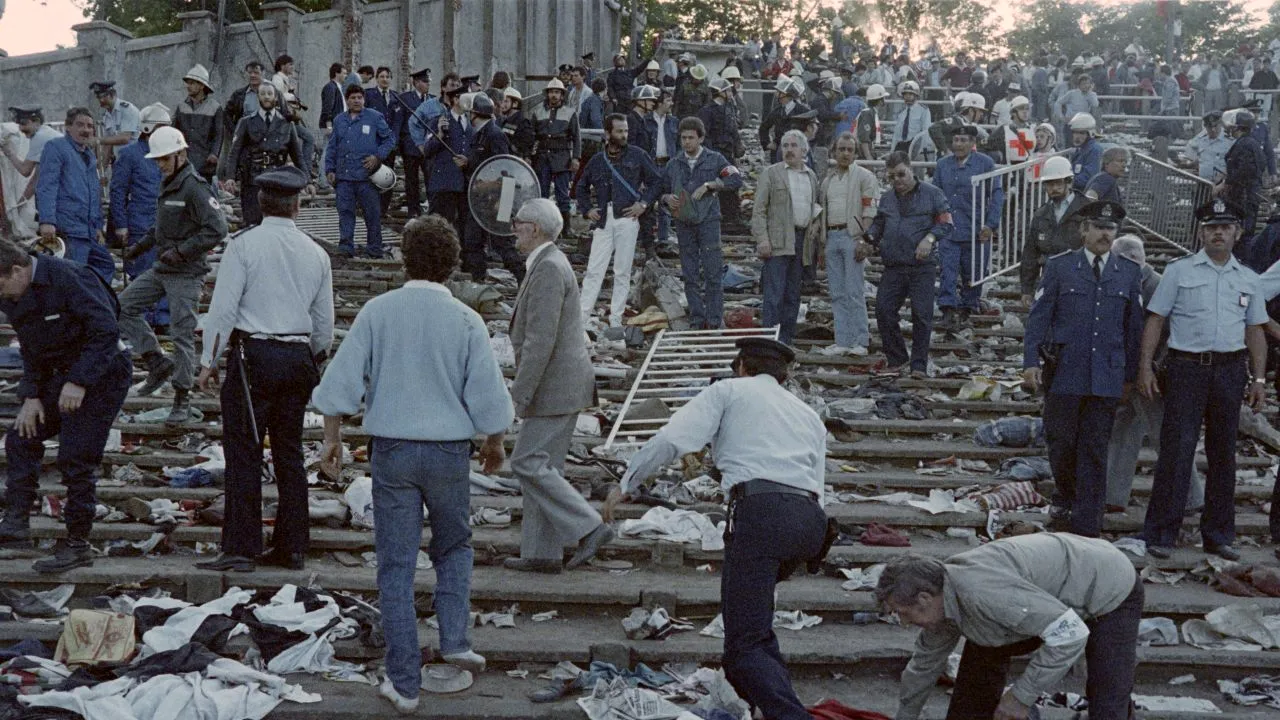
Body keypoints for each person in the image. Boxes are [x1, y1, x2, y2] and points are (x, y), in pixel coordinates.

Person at [310, 214, 506, 713]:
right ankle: (456, 638)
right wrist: (495, 444)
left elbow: (338, 387)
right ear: (453, 263)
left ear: (403, 258)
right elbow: (488, 397)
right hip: (447, 452)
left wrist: (332, 440)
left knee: (396, 566)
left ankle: (404, 683)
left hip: (393, 450)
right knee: (455, 546)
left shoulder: (378, 312)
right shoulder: (466, 319)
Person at [612, 337, 826, 720]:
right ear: (783, 375)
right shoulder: (806, 412)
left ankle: (792, 716)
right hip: (810, 521)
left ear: (742, 366)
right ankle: (752, 706)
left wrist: (628, 483)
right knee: (755, 629)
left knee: (744, 643)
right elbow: (818, 482)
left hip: (761, 512)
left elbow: (672, 439)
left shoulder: (728, 390)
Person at [195, 166, 334, 573]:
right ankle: (292, 547)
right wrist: (315, 359)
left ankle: (241, 547)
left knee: (244, 451)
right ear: (297, 204)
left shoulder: (244, 245)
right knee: (289, 452)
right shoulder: (316, 252)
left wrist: (208, 361)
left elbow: (223, 309)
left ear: (259, 202)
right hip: (296, 357)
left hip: (252, 357)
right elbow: (323, 323)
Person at [877, 534, 1143, 720]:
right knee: (976, 678)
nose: (904, 623)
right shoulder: (945, 598)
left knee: (1108, 699)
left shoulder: (983, 594)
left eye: (903, 613)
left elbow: (1069, 633)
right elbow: (924, 666)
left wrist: (1021, 697)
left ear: (924, 598)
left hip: (1109, 584)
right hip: (1046, 596)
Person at [1139, 200, 1268, 561]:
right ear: (1201, 232)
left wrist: (1258, 379)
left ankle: (1218, 535)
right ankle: (1162, 532)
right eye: (1211, 227)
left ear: (1237, 233)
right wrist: (1145, 367)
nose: (1218, 233)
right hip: (1186, 370)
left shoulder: (1248, 278)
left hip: (1230, 371)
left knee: (1223, 454)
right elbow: (1155, 320)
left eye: (1225, 227)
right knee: (1177, 452)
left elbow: (1255, 330)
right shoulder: (1179, 271)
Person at [0, 241, 131, 574]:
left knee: (76, 455)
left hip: (103, 372)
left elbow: (106, 332)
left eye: (2, 286)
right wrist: (30, 395)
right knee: (21, 437)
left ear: (17, 270)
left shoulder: (71, 277)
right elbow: (31, 347)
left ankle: (77, 544)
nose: (3, 298)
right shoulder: (14, 293)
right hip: (59, 374)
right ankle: (15, 525)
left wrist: (80, 381)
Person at [505, 198, 614, 573]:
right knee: (544, 466)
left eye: (518, 223)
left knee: (526, 462)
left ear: (534, 228)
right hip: (560, 385)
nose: (514, 228)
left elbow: (540, 341)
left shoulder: (548, 267)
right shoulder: (547, 263)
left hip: (555, 387)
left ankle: (590, 526)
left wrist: (519, 395)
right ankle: (541, 553)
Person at [1022, 201, 1143, 537]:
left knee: (1094, 448)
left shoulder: (1128, 272)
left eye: (1111, 229)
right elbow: (1039, 317)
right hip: (1065, 371)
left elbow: (1133, 330)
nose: (1105, 234)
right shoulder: (1061, 268)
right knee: (1061, 442)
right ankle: (1065, 496)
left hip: (1106, 375)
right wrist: (1030, 361)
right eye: (1099, 227)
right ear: (1083, 230)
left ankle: (1087, 524)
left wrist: (1130, 376)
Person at [118, 126, 228, 426]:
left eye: (165, 159)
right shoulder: (169, 184)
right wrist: (139, 248)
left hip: (186, 273)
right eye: (158, 160)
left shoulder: (194, 186)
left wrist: (182, 252)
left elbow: (218, 229)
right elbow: (161, 226)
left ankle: (182, 396)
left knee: (181, 335)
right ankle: (156, 361)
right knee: (122, 306)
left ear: (181, 155)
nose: (160, 165)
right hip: (163, 269)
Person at [1105, 235, 1206, 514]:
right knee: (1123, 429)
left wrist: (1151, 369)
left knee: (1165, 436)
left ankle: (1191, 498)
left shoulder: (1159, 285)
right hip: (1131, 373)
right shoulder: (1126, 280)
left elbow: (1173, 331)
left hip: (1155, 376)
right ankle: (1113, 495)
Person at [867, 151, 952, 376]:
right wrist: (870, 237)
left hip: (921, 266)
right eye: (892, 177)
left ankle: (918, 365)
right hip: (894, 265)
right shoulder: (886, 198)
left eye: (901, 175)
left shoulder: (933, 194)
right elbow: (879, 223)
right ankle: (897, 358)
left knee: (921, 315)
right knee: (884, 310)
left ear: (911, 169)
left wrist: (929, 238)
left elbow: (946, 222)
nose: (897, 181)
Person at [575, 113, 661, 327]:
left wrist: (643, 205)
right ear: (607, 133)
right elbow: (580, 187)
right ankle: (582, 319)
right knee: (595, 270)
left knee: (622, 271)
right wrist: (587, 210)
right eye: (619, 131)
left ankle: (616, 319)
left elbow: (657, 182)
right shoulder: (596, 160)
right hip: (604, 220)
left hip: (627, 219)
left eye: (626, 131)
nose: (624, 135)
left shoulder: (638, 155)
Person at [661, 116, 743, 331]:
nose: (686, 142)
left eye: (691, 138)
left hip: (708, 222)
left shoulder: (715, 160)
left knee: (713, 273)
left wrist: (710, 185)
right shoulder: (674, 163)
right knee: (690, 274)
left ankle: (714, 321)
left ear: (701, 138)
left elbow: (735, 179)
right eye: (683, 138)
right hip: (684, 223)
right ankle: (697, 321)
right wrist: (666, 198)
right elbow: (660, 189)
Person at [752, 130, 819, 346]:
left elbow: (813, 206)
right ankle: (769, 341)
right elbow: (759, 209)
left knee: (793, 294)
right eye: (785, 145)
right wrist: (762, 238)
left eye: (793, 146)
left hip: (801, 241)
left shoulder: (811, 176)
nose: (788, 150)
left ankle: (786, 341)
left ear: (803, 150)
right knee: (774, 295)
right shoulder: (772, 173)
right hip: (778, 240)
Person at [815, 133, 879, 356]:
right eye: (841, 149)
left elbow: (870, 210)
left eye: (849, 150)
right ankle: (842, 340)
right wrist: (822, 243)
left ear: (855, 153)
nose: (845, 153)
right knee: (837, 292)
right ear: (834, 152)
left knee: (854, 291)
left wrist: (864, 238)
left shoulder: (865, 177)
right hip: (832, 237)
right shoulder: (827, 181)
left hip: (852, 237)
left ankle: (860, 340)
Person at [933, 125, 1003, 331]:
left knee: (975, 271)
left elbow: (997, 195)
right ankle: (947, 310)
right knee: (948, 270)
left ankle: (968, 309)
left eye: (964, 140)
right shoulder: (943, 165)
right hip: (950, 229)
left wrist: (990, 224)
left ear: (973, 143)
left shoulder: (985, 163)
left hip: (976, 229)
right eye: (956, 140)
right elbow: (935, 194)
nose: (959, 144)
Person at [35, 108, 115, 284]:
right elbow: (47, 186)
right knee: (73, 276)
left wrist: (97, 226)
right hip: (69, 230)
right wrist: (47, 221)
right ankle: (76, 310)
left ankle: (93, 305)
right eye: (80, 125)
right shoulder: (56, 148)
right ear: (67, 127)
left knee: (106, 265)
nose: (85, 130)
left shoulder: (88, 156)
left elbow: (94, 194)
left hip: (87, 231)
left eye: (89, 126)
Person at [326, 83, 395, 258]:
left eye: (360, 97)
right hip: (344, 176)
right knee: (345, 213)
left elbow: (390, 139)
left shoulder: (374, 117)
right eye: (353, 98)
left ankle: (374, 248)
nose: (357, 101)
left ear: (364, 99)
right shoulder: (339, 120)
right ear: (347, 101)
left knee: (372, 213)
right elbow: (332, 146)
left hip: (367, 176)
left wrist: (377, 156)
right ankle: (346, 247)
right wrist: (330, 169)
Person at [459, 93, 522, 283]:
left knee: (503, 245)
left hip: (495, 200)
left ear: (474, 115)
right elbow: (482, 165)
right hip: (479, 199)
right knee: (472, 243)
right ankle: (479, 283)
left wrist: (501, 203)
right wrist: (467, 163)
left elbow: (504, 169)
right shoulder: (479, 135)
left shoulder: (495, 135)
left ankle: (524, 279)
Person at [225, 82, 305, 227]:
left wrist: (308, 181)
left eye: (269, 94)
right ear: (258, 97)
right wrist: (230, 177)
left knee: (277, 223)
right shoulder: (246, 122)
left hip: (278, 180)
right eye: (263, 94)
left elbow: (297, 155)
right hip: (253, 180)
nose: (266, 97)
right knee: (252, 223)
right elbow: (234, 152)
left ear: (275, 97)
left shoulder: (286, 124)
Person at [110, 104, 169, 287]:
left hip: (165, 226)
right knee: (142, 280)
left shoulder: (168, 155)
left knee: (164, 279)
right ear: (148, 128)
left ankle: (160, 316)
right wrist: (121, 225)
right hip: (140, 227)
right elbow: (117, 191)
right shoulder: (130, 155)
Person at [1021, 156, 1089, 305]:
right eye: (1049, 184)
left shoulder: (1087, 209)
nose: (1053, 189)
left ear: (1069, 182)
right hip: (1049, 278)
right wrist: (1026, 289)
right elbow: (1030, 253)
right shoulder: (1041, 214)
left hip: (1080, 278)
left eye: (1058, 183)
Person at [417, 74, 471, 242]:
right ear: (455, 99)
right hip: (443, 183)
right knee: (437, 226)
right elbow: (427, 150)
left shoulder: (470, 123)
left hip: (463, 184)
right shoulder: (439, 120)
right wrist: (439, 135)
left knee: (461, 226)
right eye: (464, 97)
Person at [531, 79, 581, 236]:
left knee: (562, 195)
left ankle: (566, 228)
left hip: (562, 157)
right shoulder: (538, 111)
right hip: (542, 157)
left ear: (562, 95)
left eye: (557, 92)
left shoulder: (570, 112)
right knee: (542, 194)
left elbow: (576, 137)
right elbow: (532, 135)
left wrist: (576, 158)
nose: (554, 95)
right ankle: (543, 228)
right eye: (551, 92)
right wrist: (529, 155)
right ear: (547, 94)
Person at [697, 77, 745, 233]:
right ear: (720, 92)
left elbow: (734, 131)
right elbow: (705, 135)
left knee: (732, 183)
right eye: (728, 90)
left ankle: (733, 218)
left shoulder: (729, 108)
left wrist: (738, 148)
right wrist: (712, 155)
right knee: (715, 186)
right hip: (716, 153)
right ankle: (718, 218)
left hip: (728, 153)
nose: (731, 93)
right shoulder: (707, 111)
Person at [365, 67, 407, 213]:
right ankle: (370, 207)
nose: (385, 79)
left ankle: (383, 209)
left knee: (387, 175)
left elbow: (398, 121)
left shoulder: (396, 97)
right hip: (374, 144)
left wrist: (393, 140)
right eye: (382, 76)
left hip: (389, 145)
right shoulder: (369, 95)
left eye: (387, 77)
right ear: (377, 78)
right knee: (372, 174)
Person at [173, 65, 224, 183]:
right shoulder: (181, 106)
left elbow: (219, 134)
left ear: (201, 86)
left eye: (192, 83)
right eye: (188, 83)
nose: (188, 86)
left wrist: (214, 154)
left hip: (205, 162)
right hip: (184, 160)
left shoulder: (215, 107)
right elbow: (175, 131)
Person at [1, 106, 59, 204]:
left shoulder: (40, 137)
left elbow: (25, 171)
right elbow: (37, 178)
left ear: (36, 122)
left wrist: (8, 152)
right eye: (19, 124)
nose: (21, 128)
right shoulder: (48, 133)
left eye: (24, 124)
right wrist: (21, 203)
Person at [1218, 110, 1263, 236]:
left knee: (1242, 233)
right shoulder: (1253, 143)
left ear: (1237, 127)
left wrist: (1226, 183)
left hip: (1243, 196)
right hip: (1249, 195)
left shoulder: (1244, 144)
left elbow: (1244, 171)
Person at [397, 67, 432, 217]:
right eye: (425, 82)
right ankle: (413, 210)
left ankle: (431, 207)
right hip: (410, 145)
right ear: (416, 82)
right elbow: (400, 124)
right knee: (412, 180)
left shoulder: (432, 100)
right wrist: (399, 146)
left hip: (428, 147)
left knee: (430, 178)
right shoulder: (405, 99)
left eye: (428, 82)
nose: (428, 84)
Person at [758, 76, 811, 158]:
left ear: (786, 95)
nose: (776, 94)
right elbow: (764, 127)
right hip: (779, 150)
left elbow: (812, 129)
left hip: (797, 152)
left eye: (779, 92)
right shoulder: (777, 111)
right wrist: (767, 143)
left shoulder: (803, 111)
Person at [318, 62, 348, 192]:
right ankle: (323, 181)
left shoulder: (337, 87)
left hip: (337, 125)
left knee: (331, 152)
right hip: (331, 125)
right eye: (344, 73)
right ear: (337, 73)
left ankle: (328, 180)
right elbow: (327, 108)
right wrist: (329, 125)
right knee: (327, 152)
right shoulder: (330, 87)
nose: (346, 75)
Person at [90, 81, 141, 157]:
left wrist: (98, 140)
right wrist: (101, 167)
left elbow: (125, 138)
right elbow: (108, 144)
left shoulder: (128, 109)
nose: (101, 100)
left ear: (112, 95)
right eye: (98, 97)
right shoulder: (106, 115)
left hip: (135, 159)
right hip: (119, 160)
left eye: (103, 97)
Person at [1181, 111, 1232, 182]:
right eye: (1210, 127)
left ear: (1220, 124)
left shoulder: (1230, 141)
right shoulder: (1199, 140)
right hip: (1203, 182)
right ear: (1205, 126)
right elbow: (1191, 158)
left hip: (1221, 184)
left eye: (1215, 126)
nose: (1213, 130)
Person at [224, 61, 267, 140]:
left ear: (263, 73)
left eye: (256, 72)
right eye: (250, 72)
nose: (252, 75)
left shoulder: (272, 94)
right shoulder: (238, 94)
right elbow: (226, 114)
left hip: (265, 137)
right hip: (245, 138)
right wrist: (235, 132)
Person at [1066, 112, 1102, 193]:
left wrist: (1065, 180)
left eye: (1081, 133)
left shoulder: (1094, 150)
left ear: (1090, 134)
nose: (1077, 136)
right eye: (1075, 132)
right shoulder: (1080, 149)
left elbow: (1088, 179)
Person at [892, 81, 930, 154]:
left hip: (914, 146)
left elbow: (925, 131)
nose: (907, 96)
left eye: (910, 94)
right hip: (901, 146)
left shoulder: (923, 110)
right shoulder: (902, 112)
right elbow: (896, 133)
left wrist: (922, 150)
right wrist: (892, 150)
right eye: (905, 94)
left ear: (916, 95)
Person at [856, 84, 887, 160]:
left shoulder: (871, 112)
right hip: (860, 152)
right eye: (884, 98)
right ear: (880, 101)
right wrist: (868, 157)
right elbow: (864, 137)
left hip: (863, 150)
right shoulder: (868, 113)